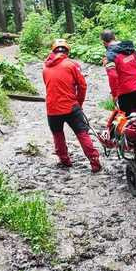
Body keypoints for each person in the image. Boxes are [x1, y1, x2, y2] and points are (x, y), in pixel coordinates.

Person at [42, 39, 102, 173]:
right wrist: (79, 104)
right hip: (71, 106)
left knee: (57, 134)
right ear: (67, 51)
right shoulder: (72, 65)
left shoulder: (45, 67)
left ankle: (64, 160)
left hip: (52, 108)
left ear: (53, 51)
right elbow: (82, 86)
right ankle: (94, 161)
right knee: (82, 133)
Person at [101, 30, 136, 115]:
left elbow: (112, 76)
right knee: (135, 115)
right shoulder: (130, 48)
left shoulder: (110, 56)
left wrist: (114, 95)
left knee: (126, 119)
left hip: (125, 92)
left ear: (104, 43)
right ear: (115, 37)